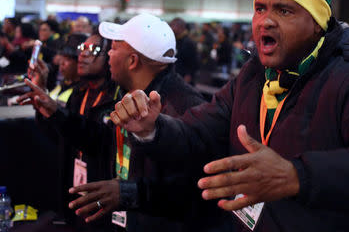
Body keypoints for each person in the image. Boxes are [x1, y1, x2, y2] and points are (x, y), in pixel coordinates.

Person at [109, 0, 349, 231]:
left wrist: (297, 175)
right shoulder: (252, 76)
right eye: (260, 9)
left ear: (317, 24)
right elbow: (199, 134)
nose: (266, 20)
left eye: (284, 10)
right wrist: (152, 129)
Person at [22, 13, 207, 232]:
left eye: (115, 47)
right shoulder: (133, 95)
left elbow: (193, 191)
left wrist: (130, 193)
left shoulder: (183, 107)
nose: (109, 53)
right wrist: (55, 112)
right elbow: (103, 140)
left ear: (132, 61)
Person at [18, 33, 117, 232]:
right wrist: (43, 105)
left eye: (93, 50)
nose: (83, 55)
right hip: (74, 190)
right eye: (82, 49)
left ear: (110, 57)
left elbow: (96, 141)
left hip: (103, 196)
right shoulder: (79, 93)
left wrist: (57, 112)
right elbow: (59, 137)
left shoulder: (116, 98)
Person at [169, 17, 199, 84]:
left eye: (173, 25)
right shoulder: (174, 40)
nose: (171, 28)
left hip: (184, 80)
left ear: (181, 27)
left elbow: (194, 63)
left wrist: (189, 75)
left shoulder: (188, 43)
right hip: (174, 77)